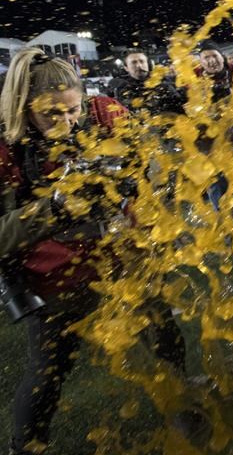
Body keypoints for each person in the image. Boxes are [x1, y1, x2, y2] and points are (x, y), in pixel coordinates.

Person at [0, 48, 185, 455]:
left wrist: (136, 180)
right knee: (49, 368)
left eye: (73, 110)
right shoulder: (6, 147)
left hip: (121, 253)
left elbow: (152, 165)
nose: (67, 122)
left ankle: (182, 403)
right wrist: (51, 208)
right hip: (56, 269)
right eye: (52, 114)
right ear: (23, 108)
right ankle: (24, 446)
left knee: (161, 328)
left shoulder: (104, 113)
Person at [112, 48, 186, 116]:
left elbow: (181, 109)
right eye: (133, 62)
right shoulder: (122, 90)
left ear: (148, 64)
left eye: (142, 61)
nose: (139, 65)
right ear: (126, 68)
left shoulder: (163, 84)